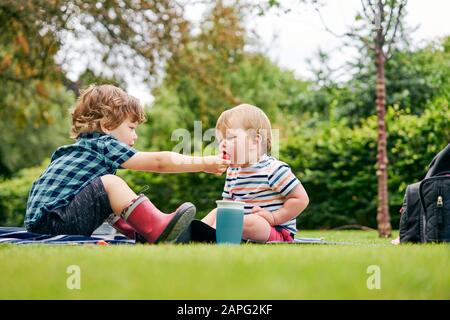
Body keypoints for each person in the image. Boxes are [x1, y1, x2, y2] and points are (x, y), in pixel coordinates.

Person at [25, 84, 229, 243]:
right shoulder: (104, 144)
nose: (135, 136)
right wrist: (204, 163)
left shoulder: (78, 151)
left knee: (108, 190)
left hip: (42, 225)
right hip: (55, 222)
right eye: (131, 128)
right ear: (106, 126)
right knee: (111, 184)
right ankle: (157, 227)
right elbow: (159, 162)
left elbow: (105, 207)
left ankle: (144, 233)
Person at [202, 104, 309, 242]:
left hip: (274, 229)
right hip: (240, 228)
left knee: (251, 221)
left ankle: (214, 234)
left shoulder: (274, 169)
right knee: (218, 212)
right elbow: (228, 204)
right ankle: (196, 230)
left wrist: (274, 217)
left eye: (229, 138)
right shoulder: (232, 172)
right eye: (220, 140)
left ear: (255, 141)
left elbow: (301, 199)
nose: (222, 144)